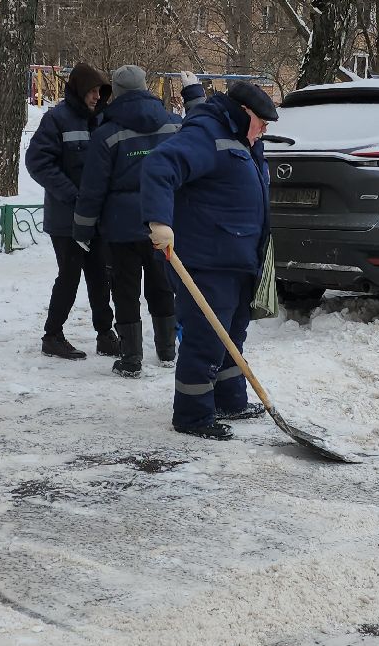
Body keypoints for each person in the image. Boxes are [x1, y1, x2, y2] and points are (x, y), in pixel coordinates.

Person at [140, 80, 278, 440]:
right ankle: (192, 415)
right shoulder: (207, 134)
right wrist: (159, 222)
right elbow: (160, 165)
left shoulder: (246, 143)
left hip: (238, 258)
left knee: (231, 335)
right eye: (262, 122)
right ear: (245, 113)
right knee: (205, 339)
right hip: (207, 260)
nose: (264, 130)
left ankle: (229, 400)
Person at [75, 66, 204, 376]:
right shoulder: (173, 124)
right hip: (162, 220)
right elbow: (199, 135)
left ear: (116, 93)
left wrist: (82, 227)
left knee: (125, 290)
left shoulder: (106, 133)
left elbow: (93, 187)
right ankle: (167, 351)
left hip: (121, 226)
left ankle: (131, 359)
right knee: (162, 287)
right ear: (146, 88)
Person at [25, 62, 118, 360]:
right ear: (78, 91)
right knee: (70, 275)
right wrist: (73, 196)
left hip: (97, 216)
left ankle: (106, 334)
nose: (95, 97)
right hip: (66, 218)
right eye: (91, 91)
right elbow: (38, 163)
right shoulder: (56, 120)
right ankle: (52, 335)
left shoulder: (103, 120)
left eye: (99, 92)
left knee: (100, 275)